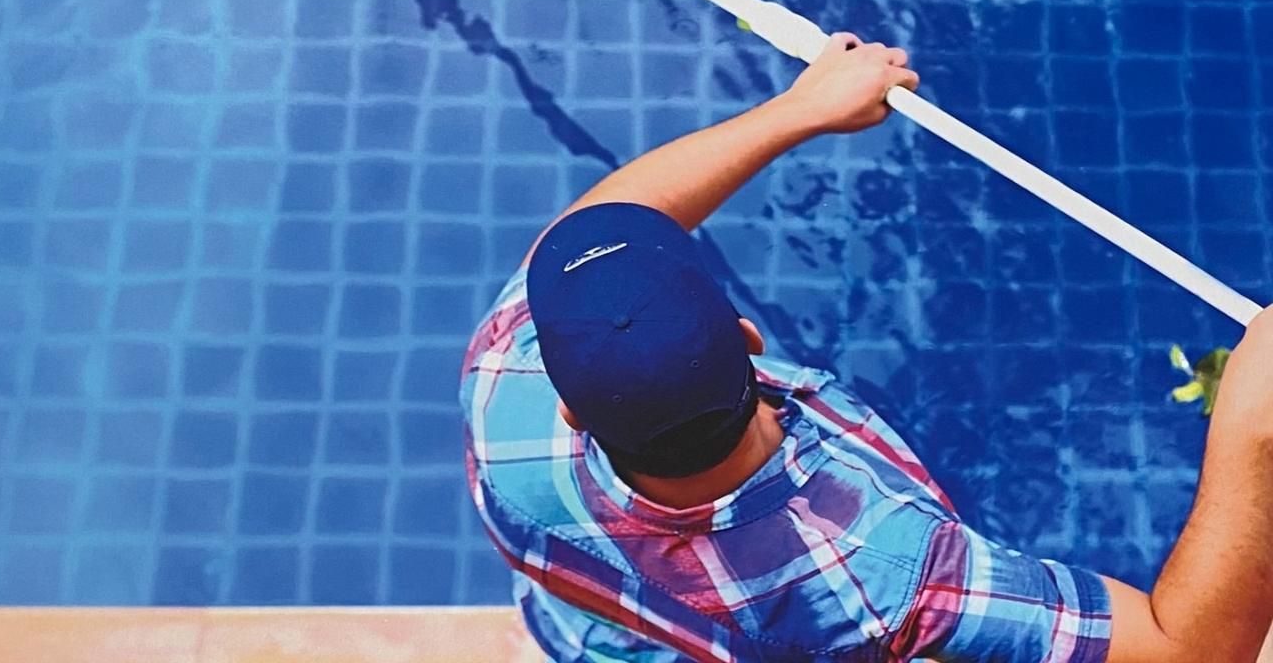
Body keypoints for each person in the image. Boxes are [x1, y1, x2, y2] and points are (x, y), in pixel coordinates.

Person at [461, 33, 1273, 662]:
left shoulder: (505, 389)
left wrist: (800, 109)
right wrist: (1256, 432)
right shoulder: (883, 567)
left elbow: (598, 229)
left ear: (573, 407)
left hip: (598, 638)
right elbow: (1187, 652)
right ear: (747, 338)